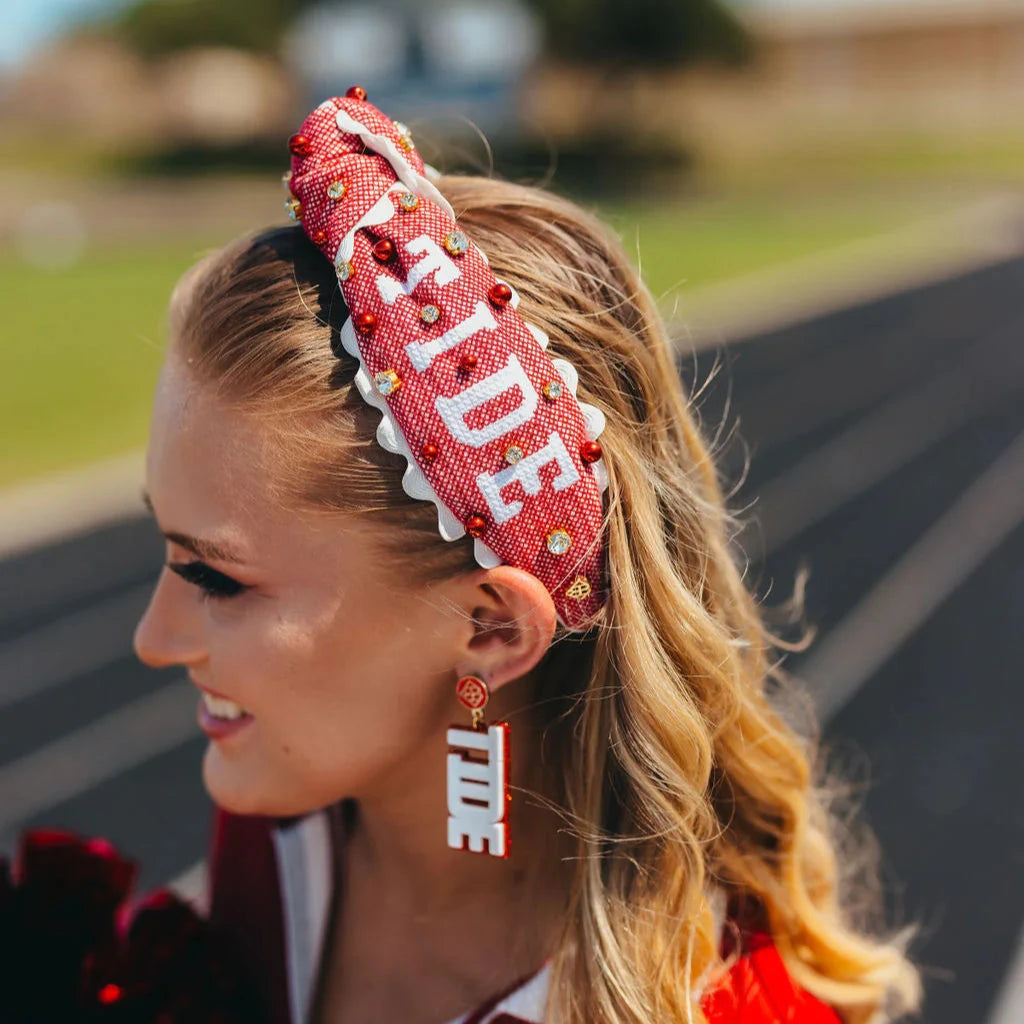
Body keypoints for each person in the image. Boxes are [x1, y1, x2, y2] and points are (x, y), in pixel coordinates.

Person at [132, 89, 921, 1024]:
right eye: (167, 549)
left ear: (492, 628)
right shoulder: (279, 846)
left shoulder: (735, 1007)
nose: (154, 638)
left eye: (215, 577)